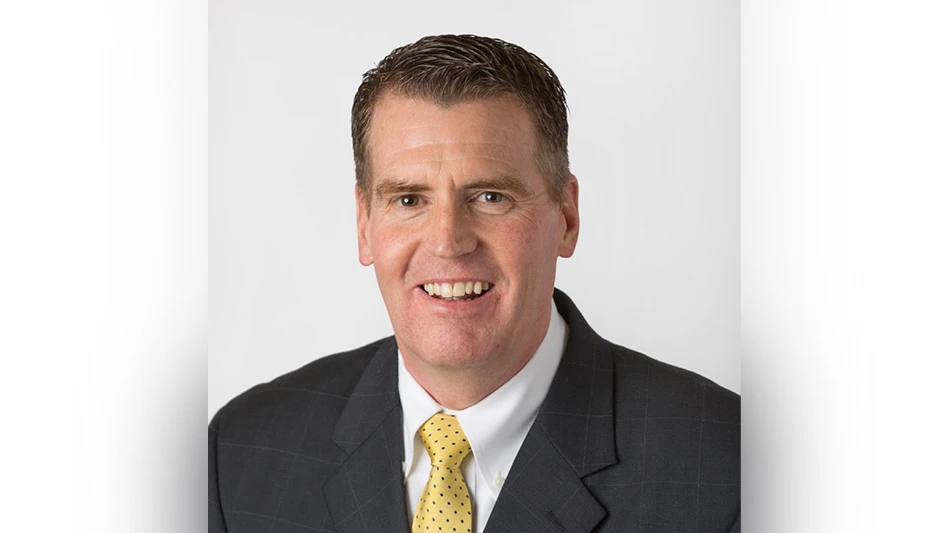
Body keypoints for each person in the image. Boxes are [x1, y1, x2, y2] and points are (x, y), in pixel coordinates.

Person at [209, 34, 740, 533]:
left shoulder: (728, 466)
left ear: (567, 217)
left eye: (490, 197)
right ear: (364, 225)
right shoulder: (242, 452)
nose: (447, 241)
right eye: (409, 200)